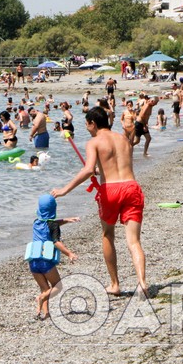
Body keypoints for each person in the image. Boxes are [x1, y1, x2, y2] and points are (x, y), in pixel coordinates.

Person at [51, 107, 147, 297]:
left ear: (92, 123)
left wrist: (64, 190)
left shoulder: (94, 141)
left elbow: (87, 170)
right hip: (131, 187)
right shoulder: (123, 139)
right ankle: (143, 283)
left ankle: (114, 284)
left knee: (107, 235)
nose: (87, 129)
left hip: (110, 190)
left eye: (87, 125)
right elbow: (117, 164)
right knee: (134, 241)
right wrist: (99, 170)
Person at [27, 194, 79, 320]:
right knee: (58, 286)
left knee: (45, 288)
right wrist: (69, 253)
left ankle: (45, 313)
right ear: (54, 209)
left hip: (33, 261)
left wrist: (66, 220)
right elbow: (56, 241)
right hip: (45, 262)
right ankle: (41, 298)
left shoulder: (36, 223)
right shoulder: (53, 226)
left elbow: (50, 225)